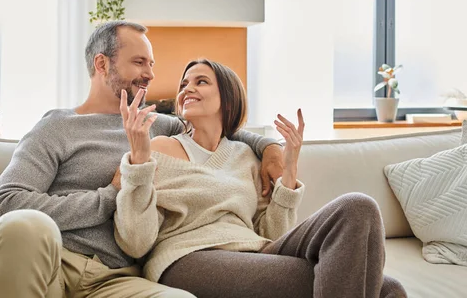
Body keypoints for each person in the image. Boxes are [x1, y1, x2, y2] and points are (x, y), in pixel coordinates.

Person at [0, 21, 285, 298]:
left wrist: (270, 147)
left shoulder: (161, 125)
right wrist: (108, 197)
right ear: (102, 64)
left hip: (120, 278)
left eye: (151, 63)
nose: (150, 74)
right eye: (139, 62)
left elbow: (218, 132)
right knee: (24, 225)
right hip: (54, 263)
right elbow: (6, 201)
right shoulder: (56, 127)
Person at [115, 59, 407, 298]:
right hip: (187, 256)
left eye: (200, 81)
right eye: (184, 84)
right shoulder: (158, 149)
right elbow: (136, 243)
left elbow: (271, 233)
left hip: (256, 250)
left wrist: (289, 173)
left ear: (227, 98)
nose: (187, 88)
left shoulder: (245, 156)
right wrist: (139, 165)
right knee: (382, 290)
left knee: (358, 207)